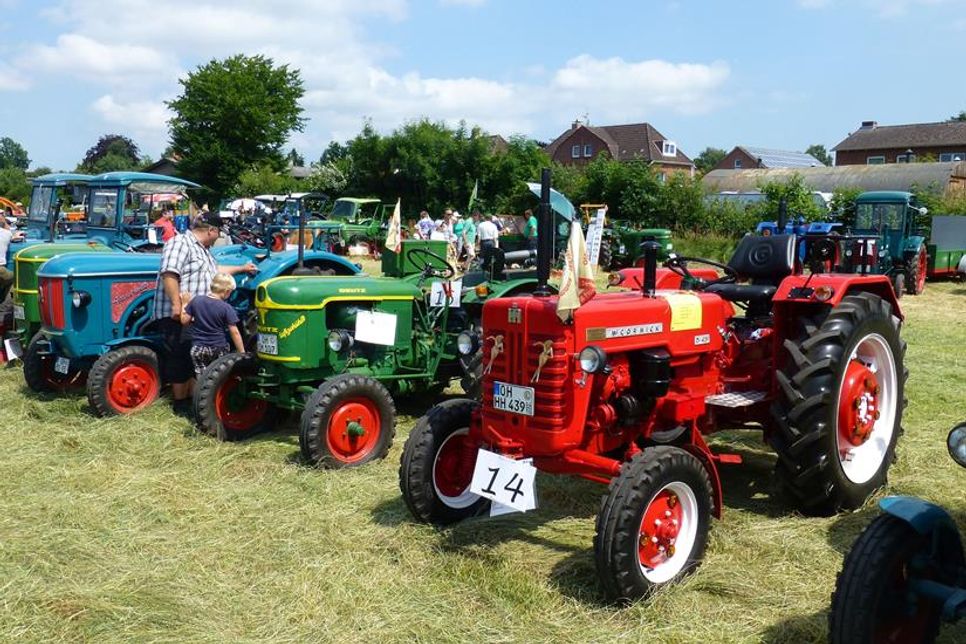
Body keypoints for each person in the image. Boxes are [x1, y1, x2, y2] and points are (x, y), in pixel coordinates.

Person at [154, 210, 256, 415]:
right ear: (211, 230)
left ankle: (192, 398)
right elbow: (169, 272)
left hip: (194, 317)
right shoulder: (180, 243)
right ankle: (180, 403)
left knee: (192, 357)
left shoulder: (203, 250)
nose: (219, 237)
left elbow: (215, 270)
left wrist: (242, 268)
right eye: (218, 232)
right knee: (180, 355)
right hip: (179, 314)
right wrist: (176, 304)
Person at [181, 273, 246, 377]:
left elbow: (184, 321)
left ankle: (200, 393)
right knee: (218, 379)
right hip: (218, 347)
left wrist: (184, 303)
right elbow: (234, 332)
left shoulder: (196, 300)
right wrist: (242, 353)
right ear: (227, 291)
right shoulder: (226, 308)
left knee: (202, 379)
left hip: (198, 347)